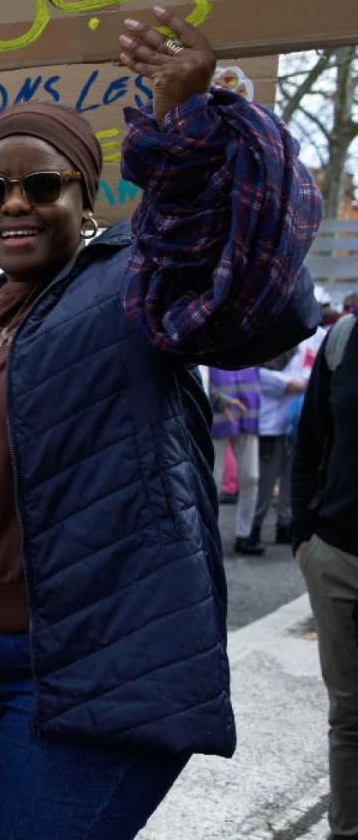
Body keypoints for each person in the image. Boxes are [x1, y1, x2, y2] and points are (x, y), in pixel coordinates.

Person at [0, 8, 320, 839]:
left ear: (85, 199)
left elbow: (264, 291)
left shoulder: (133, 281)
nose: (12, 205)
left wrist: (189, 119)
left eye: (41, 185)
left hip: (94, 666)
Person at [293, 309, 357, 840]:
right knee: (349, 714)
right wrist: (302, 536)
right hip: (336, 555)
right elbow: (310, 439)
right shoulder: (344, 339)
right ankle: (346, 828)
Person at [253, 348, 306, 545]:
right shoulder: (269, 342)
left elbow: (307, 371)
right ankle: (255, 525)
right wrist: (287, 384)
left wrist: (298, 384)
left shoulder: (304, 342)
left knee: (288, 479)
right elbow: (256, 374)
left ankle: (284, 524)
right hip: (270, 425)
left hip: (293, 424)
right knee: (266, 479)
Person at [209, 366, 263, 553]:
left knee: (251, 477)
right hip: (216, 416)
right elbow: (198, 374)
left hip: (248, 415)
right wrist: (217, 399)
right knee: (213, 481)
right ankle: (208, 534)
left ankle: (244, 535)